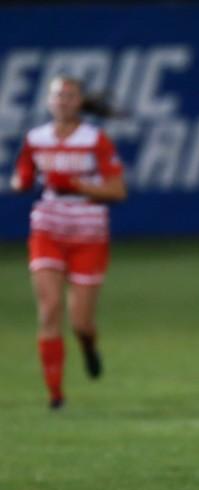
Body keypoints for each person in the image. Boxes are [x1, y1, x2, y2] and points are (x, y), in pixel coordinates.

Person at [9, 76, 127, 409]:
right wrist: (21, 181)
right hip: (48, 227)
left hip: (88, 232)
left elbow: (117, 190)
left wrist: (76, 185)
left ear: (79, 102)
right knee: (48, 310)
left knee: (81, 323)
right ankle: (55, 394)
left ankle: (88, 346)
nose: (63, 101)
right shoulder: (36, 139)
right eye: (58, 95)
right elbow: (22, 177)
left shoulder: (95, 140)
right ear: (48, 101)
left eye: (70, 95)